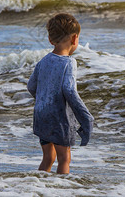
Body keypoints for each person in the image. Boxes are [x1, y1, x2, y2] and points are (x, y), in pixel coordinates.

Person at [27, 13, 94, 174]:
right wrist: (85, 117)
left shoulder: (43, 61)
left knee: (48, 157)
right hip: (59, 119)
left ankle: (37, 186)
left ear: (51, 39)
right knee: (64, 159)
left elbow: (31, 86)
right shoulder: (69, 62)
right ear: (75, 39)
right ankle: (61, 189)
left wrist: (44, 100)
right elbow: (69, 90)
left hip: (41, 116)